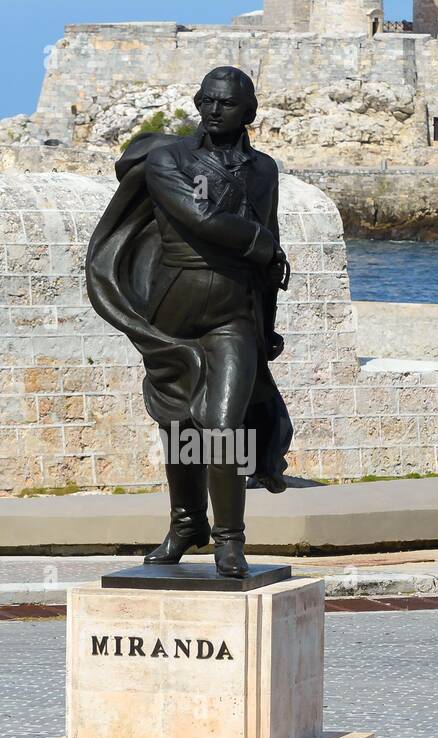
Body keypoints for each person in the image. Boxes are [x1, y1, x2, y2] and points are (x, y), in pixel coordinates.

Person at [85, 66, 294, 579]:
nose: (212, 109)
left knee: (222, 426)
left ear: (250, 112)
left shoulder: (264, 170)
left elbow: (269, 265)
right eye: (206, 100)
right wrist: (260, 243)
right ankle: (186, 525)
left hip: (233, 315)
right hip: (173, 312)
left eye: (225, 103)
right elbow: (198, 216)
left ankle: (229, 540)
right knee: (178, 424)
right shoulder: (169, 159)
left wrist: (266, 328)